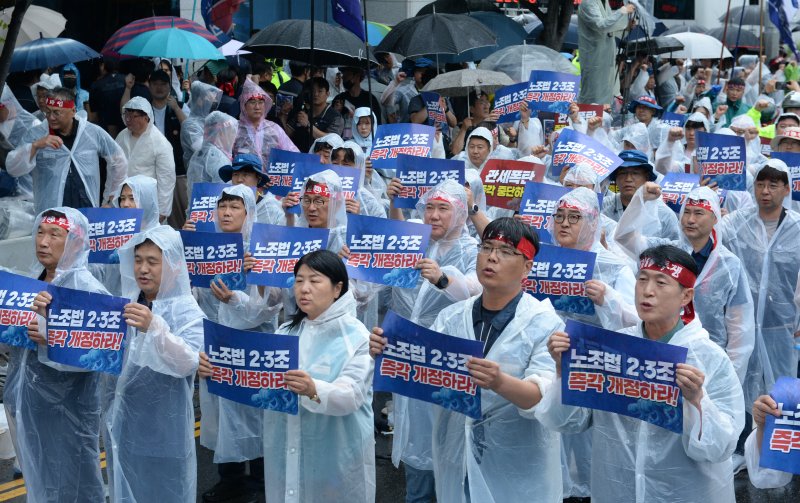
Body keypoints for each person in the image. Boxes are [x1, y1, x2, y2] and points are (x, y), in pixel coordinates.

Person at [371, 217, 563, 502]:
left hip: (515, 462)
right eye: (487, 247)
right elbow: (423, 373)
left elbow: (541, 396)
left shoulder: (544, 323)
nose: (492, 257)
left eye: (506, 251)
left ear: (527, 267)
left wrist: (500, 382)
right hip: (455, 451)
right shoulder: (452, 316)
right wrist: (388, 351)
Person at [538, 244, 745, 502]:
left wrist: (697, 401)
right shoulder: (612, 349)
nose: (647, 291)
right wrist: (564, 371)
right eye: (642, 279)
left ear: (686, 296)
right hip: (617, 489)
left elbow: (721, 446)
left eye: (661, 282)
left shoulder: (708, 358)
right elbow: (570, 421)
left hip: (686, 492)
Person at [199, 249, 375, 502]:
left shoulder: (356, 337)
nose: (304, 288)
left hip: (335, 454)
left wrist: (313, 389)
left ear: (337, 288)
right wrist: (216, 369)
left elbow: (351, 396)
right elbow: (254, 379)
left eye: (314, 281)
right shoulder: (285, 333)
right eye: (299, 280)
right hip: (286, 447)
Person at [382, 180, 482, 502]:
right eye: (429, 208)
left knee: (451, 442)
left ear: (461, 213)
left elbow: (475, 289)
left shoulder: (472, 250)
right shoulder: (414, 243)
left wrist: (443, 278)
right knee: (416, 440)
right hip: (409, 355)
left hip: (446, 362)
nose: (434, 215)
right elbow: (379, 276)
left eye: (443, 209)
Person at [7, 208, 110, 502]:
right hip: (30, 402)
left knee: (75, 479)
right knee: (39, 474)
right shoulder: (31, 280)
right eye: (40, 232)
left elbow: (103, 351)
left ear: (76, 242)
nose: (43, 241)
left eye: (55, 235)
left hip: (68, 408)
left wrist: (54, 338)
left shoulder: (87, 289)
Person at [105, 226, 204, 503]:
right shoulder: (128, 303)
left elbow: (189, 362)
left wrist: (156, 329)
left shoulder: (186, 310)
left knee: (164, 492)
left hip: (164, 430)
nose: (143, 269)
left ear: (173, 265)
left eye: (152, 261)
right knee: (126, 489)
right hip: (124, 425)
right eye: (138, 260)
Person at [715, 161, 800, 400]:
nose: (765, 191)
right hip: (741, 326)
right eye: (760, 184)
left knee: (781, 398)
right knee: (738, 393)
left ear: (786, 189)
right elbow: (707, 238)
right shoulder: (736, 222)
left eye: (773, 185)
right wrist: (710, 206)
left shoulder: (797, 228)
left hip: (783, 327)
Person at [6, 87, 127, 214]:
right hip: (51, 214)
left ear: (73, 111)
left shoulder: (92, 132)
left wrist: (111, 199)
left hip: (87, 208)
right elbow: (13, 168)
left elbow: (119, 161)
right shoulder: (36, 134)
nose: (51, 117)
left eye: (56, 112)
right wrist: (35, 146)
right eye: (48, 112)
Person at [91, 175, 162, 296]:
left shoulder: (161, 237)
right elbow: (99, 271)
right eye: (122, 199)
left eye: (132, 198)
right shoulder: (112, 233)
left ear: (147, 200)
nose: (125, 204)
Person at [115, 97, 176, 221]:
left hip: (148, 206)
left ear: (146, 117)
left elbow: (167, 180)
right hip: (124, 203)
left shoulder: (160, 142)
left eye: (134, 116)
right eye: (126, 115)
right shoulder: (121, 136)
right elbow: (114, 170)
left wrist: (162, 212)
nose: (128, 119)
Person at [602, 150, 681, 240]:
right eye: (623, 173)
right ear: (615, 178)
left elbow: (675, 245)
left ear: (646, 177)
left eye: (635, 173)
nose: (628, 179)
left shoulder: (664, 214)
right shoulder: (602, 207)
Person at [148, 69, 188, 228]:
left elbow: (191, 130)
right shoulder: (144, 109)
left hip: (178, 168)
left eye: (163, 84)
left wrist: (177, 109)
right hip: (152, 168)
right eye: (155, 84)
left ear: (169, 86)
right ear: (149, 86)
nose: (159, 88)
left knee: (182, 212)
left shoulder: (180, 106)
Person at [577, 0, 636, 106]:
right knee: (593, 98)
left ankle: (605, 115)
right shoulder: (588, 3)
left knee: (607, 98)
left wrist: (626, 27)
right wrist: (622, 11)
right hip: (595, 58)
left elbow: (609, 29)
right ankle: (588, 115)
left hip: (607, 57)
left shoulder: (604, 3)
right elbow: (601, 25)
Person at [233, 78, 298, 168]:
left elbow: (292, 153)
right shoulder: (235, 128)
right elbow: (226, 156)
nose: (257, 107)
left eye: (261, 102)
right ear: (244, 105)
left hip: (271, 176)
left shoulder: (274, 128)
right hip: (244, 175)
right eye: (252, 102)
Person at [187, 111, 238, 195]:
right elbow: (224, 193)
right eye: (232, 132)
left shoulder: (199, 152)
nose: (234, 137)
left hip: (196, 201)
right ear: (221, 133)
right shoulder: (219, 159)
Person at [288, 77, 345, 152]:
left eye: (320, 91)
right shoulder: (303, 112)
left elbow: (332, 140)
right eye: (312, 91)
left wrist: (308, 125)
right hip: (297, 154)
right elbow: (287, 133)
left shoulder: (336, 117)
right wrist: (283, 115)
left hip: (320, 157)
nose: (315, 94)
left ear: (327, 94)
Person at [180, 81, 223, 169]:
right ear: (199, 101)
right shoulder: (190, 125)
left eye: (215, 99)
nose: (214, 101)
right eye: (210, 98)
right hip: (197, 172)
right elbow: (202, 150)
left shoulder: (210, 120)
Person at [89, 57, 126, 137]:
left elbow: (93, 117)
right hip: (126, 125)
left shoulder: (96, 85)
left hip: (106, 130)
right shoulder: (127, 80)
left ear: (103, 66)